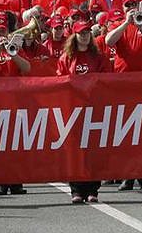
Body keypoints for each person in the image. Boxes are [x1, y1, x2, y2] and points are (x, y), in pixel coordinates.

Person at [106, 0, 142, 191]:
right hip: (123, 86)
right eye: (127, 5)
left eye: (133, 5)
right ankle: (128, 175)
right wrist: (125, 24)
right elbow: (109, 42)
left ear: (139, 6)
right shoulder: (118, 24)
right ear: (123, 8)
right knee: (126, 131)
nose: (131, 8)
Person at [56, 20, 112, 203]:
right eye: (81, 33)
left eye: (88, 32)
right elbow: (60, 80)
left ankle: (93, 189)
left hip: (94, 108)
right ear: (75, 35)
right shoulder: (66, 58)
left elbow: (106, 80)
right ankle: (76, 190)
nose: (85, 36)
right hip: (73, 109)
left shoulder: (99, 57)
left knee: (94, 150)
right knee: (75, 150)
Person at [0, 14, 30, 196]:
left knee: (16, 142)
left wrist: (12, 54)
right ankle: (1, 181)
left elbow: (27, 68)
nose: (2, 34)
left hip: (16, 101)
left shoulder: (14, 48)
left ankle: (16, 181)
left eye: (4, 30)